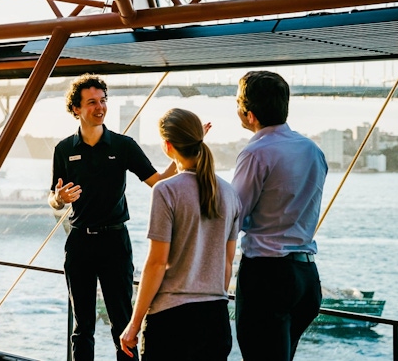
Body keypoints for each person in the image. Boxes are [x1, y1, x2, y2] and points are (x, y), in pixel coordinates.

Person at [48, 74, 177, 361]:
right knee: (82, 327)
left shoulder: (123, 146)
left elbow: (159, 182)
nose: (100, 107)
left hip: (115, 242)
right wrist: (60, 198)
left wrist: (184, 153)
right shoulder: (64, 150)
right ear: (76, 110)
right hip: (79, 241)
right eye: (91, 102)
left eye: (103, 101)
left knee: (123, 323)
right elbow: (54, 200)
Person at [119, 108, 241, 360]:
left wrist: (134, 323)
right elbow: (227, 263)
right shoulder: (229, 193)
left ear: (167, 145)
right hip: (215, 320)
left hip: (171, 321)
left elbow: (157, 263)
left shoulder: (166, 191)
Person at [232, 70, 328, 361]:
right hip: (306, 277)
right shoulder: (313, 150)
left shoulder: (256, 152)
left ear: (249, 114)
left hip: (267, 276)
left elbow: (235, 215)